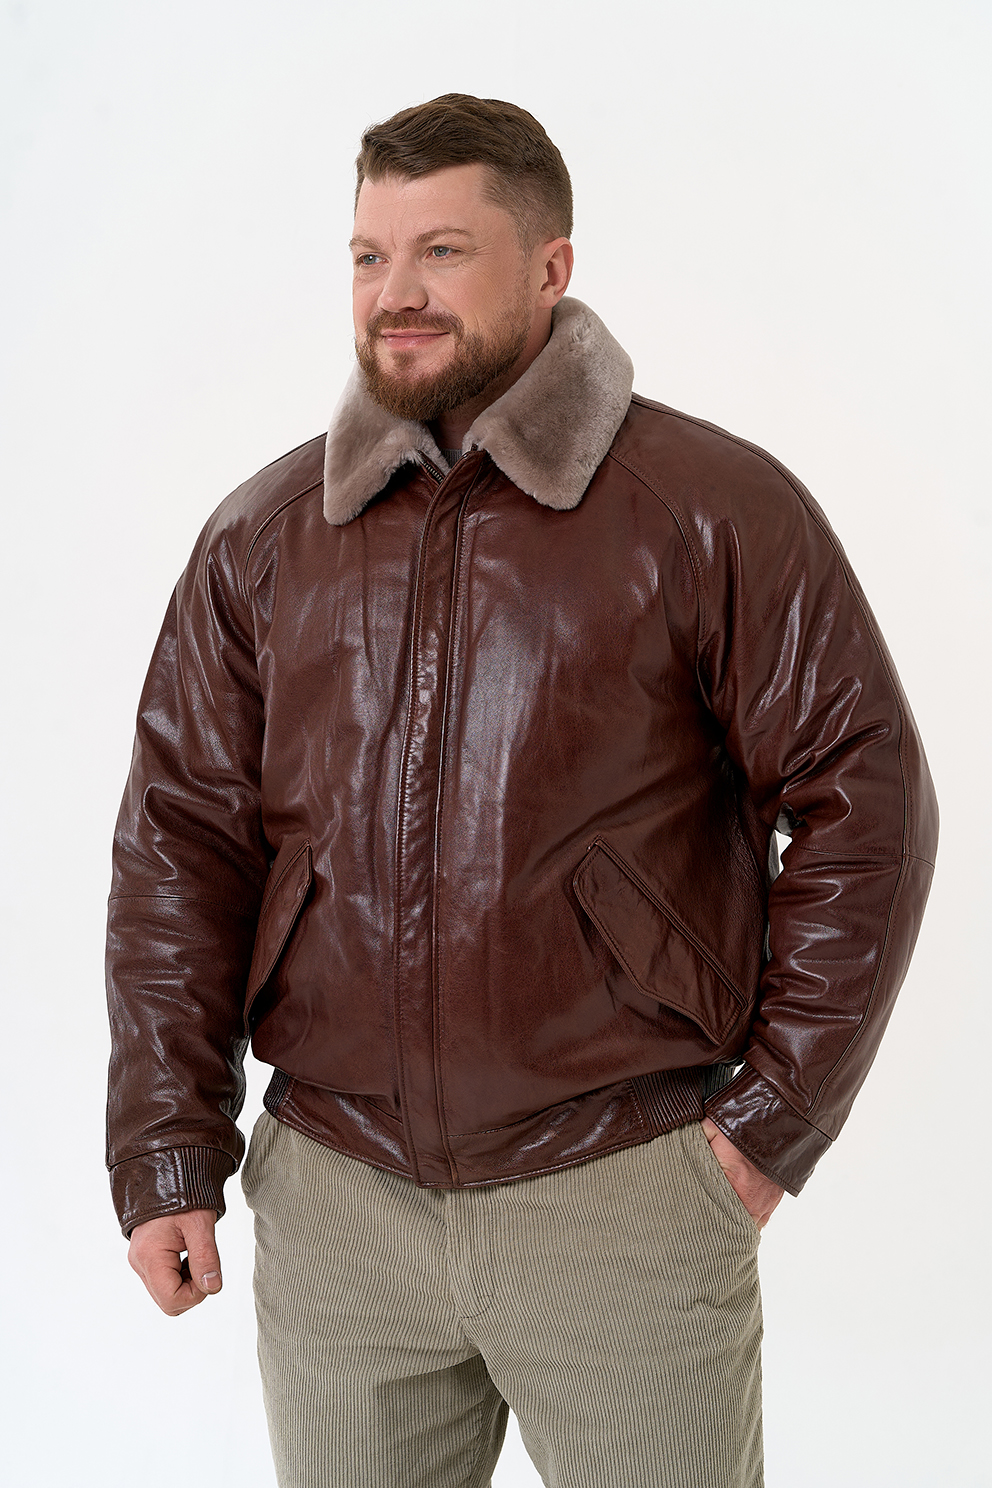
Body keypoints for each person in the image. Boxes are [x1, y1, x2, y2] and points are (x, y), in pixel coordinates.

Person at [107, 94, 937, 1488]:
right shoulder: (264, 537)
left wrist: (765, 1132)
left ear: (551, 267)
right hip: (336, 1201)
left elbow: (871, 802)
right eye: (369, 255)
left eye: (443, 251)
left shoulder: (708, 508)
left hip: (619, 1189)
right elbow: (181, 842)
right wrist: (165, 1146)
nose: (398, 292)